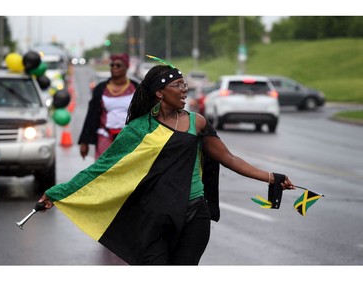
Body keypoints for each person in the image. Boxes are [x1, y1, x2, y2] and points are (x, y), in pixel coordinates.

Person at [38, 60, 294, 265]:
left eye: (185, 85)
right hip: (154, 218)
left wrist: (272, 177)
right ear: (160, 92)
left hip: (195, 214)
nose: (185, 90)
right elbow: (102, 168)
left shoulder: (197, 122)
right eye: (178, 86)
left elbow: (228, 158)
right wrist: (58, 192)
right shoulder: (139, 130)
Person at [78, 53, 139, 160]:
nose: (114, 68)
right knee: (104, 169)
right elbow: (91, 115)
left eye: (118, 65)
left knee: (125, 169)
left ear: (127, 67)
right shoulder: (101, 89)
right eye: (112, 65)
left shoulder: (136, 88)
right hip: (105, 135)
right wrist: (85, 142)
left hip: (128, 136)